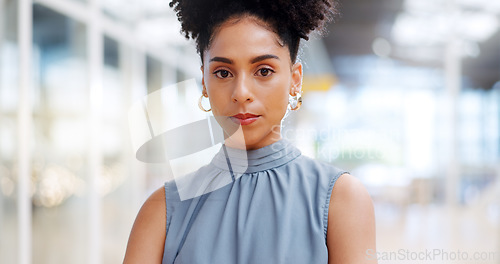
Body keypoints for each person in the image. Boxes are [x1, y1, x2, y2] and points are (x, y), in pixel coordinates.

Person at [124, 0, 377, 263]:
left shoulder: (341, 199)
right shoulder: (163, 209)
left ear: (295, 80)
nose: (241, 93)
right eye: (223, 73)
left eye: (264, 71)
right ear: (204, 83)